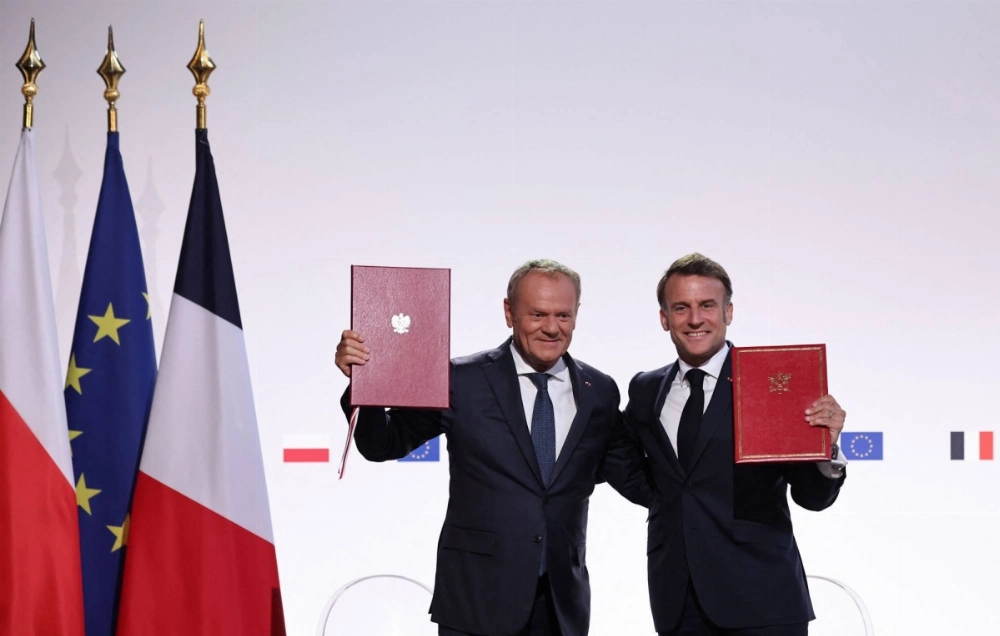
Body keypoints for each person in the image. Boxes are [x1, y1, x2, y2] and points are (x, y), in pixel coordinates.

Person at [335, 259, 650, 636]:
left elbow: (635, 479)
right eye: (537, 314)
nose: (551, 327)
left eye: (563, 315)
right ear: (508, 312)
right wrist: (364, 383)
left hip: (560, 608)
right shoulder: (461, 381)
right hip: (476, 603)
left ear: (577, 314)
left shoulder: (599, 391)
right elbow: (383, 442)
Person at [624, 253, 847, 636]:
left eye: (707, 305)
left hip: (762, 598)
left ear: (728, 311)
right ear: (665, 318)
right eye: (681, 307)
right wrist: (664, 500)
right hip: (677, 599)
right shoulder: (645, 389)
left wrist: (826, 447)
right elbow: (627, 462)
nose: (695, 319)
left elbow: (812, 497)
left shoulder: (772, 381)